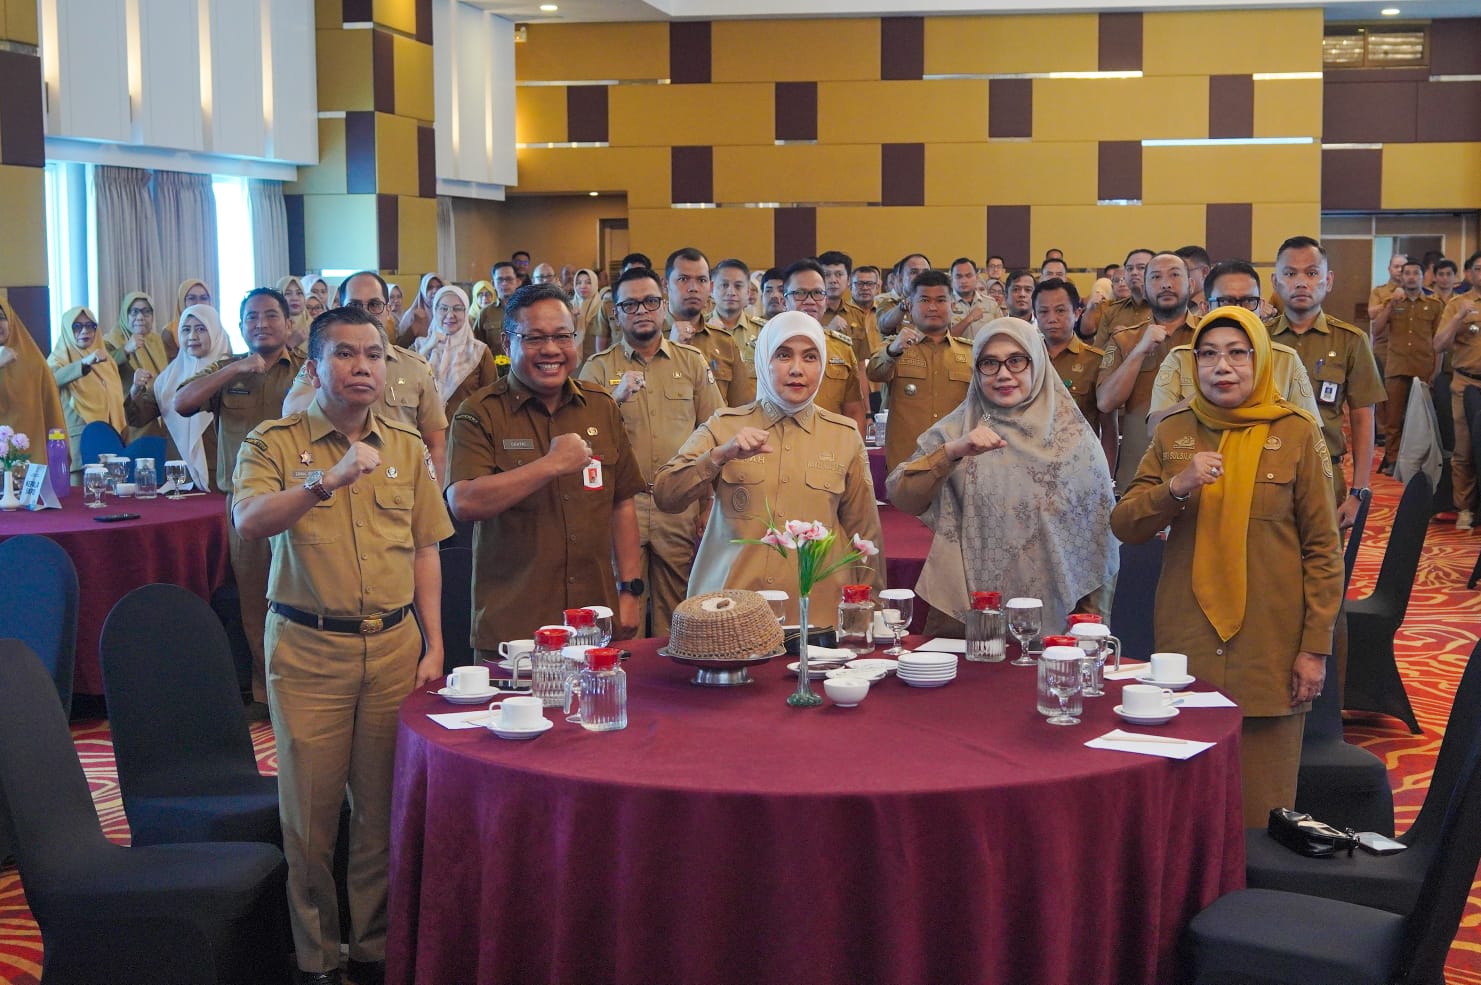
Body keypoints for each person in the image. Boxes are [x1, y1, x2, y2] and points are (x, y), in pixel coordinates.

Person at [232, 305, 452, 985]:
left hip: (391, 648)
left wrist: (434, 642)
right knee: (310, 822)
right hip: (308, 649)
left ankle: (375, 948)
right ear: (315, 366)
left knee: (383, 814)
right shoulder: (274, 441)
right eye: (347, 354)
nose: (363, 368)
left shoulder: (407, 446)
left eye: (375, 355)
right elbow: (249, 519)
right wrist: (322, 481)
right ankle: (316, 958)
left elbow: (423, 549)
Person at [1111, 305, 1342, 828]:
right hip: (1187, 644)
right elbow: (1126, 523)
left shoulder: (1298, 432)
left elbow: (1324, 551)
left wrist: (1314, 649)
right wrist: (1175, 488)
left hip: (1272, 646)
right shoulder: (1174, 433)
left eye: (1238, 353)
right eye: (1209, 354)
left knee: (1261, 813)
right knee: (1183, 806)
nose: (1223, 366)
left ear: (1260, 360)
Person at [446, 283, 646, 652]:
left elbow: (622, 503)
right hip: (514, 627)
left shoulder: (601, 407)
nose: (551, 350)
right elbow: (465, 501)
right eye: (535, 338)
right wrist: (550, 466)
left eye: (562, 336)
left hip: (593, 620)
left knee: (595, 710)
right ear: (507, 343)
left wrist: (630, 590)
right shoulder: (480, 413)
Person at [653, 311, 885, 624]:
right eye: (783, 355)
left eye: (810, 357)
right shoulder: (724, 426)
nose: (797, 369)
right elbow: (666, 494)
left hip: (817, 619)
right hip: (730, 616)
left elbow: (865, 535)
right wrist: (720, 455)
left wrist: (868, 617)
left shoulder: (843, 435)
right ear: (764, 360)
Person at [887, 317, 1116, 633]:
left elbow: (1099, 540)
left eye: (1016, 361)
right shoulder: (956, 431)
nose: (1003, 374)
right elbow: (901, 494)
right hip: (964, 616)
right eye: (989, 363)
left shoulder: (1074, 439)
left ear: (1037, 364)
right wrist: (952, 452)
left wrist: (1091, 628)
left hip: (1055, 621)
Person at [175, 288, 306, 715]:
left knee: (302, 591)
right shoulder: (226, 369)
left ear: (288, 324)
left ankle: (304, 684)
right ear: (241, 326)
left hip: (301, 498)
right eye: (251, 318)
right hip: (244, 500)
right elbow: (182, 402)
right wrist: (235, 369)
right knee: (255, 597)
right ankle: (267, 691)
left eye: (271, 316)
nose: (261, 324)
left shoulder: (308, 369)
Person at [579, 267, 723, 635]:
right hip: (621, 506)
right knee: (621, 610)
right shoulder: (597, 369)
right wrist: (613, 400)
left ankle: (673, 690)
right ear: (616, 313)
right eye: (630, 304)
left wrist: (710, 504)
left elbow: (714, 431)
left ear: (663, 306)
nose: (641, 310)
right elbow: (581, 442)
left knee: (679, 610)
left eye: (650, 302)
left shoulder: (691, 362)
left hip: (679, 504)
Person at [284, 272, 449, 481]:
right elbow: (291, 413)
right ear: (339, 310)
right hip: (337, 485)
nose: (365, 314)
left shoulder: (415, 367)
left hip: (399, 492)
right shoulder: (324, 365)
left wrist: (433, 503)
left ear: (388, 310)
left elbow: (434, 444)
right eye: (354, 306)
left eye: (374, 305)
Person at [866, 269, 975, 472]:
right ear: (910, 305)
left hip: (958, 463)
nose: (933, 307)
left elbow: (986, 408)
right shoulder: (895, 346)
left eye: (941, 300)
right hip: (907, 463)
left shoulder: (971, 352)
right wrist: (893, 351)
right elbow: (874, 373)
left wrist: (981, 430)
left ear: (952, 305)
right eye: (924, 300)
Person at [126, 304, 231, 491]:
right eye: (186, 329)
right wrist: (135, 390)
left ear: (215, 332)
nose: (192, 336)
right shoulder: (169, 378)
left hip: (222, 476)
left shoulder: (231, 372)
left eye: (201, 329)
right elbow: (138, 417)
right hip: (180, 476)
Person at [48, 306, 127, 479]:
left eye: (90, 326)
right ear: (68, 329)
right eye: (77, 327)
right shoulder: (59, 358)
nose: (85, 331)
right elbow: (51, 380)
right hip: (80, 443)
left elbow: (116, 398)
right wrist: (84, 363)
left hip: (110, 441)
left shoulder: (106, 359)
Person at [414, 284, 498, 419]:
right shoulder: (418, 347)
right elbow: (405, 384)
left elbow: (491, 400)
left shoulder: (479, 352)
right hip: (422, 433)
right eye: (443, 308)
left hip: (465, 433)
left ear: (465, 312)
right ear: (435, 311)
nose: (450, 315)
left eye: (457, 309)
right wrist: (427, 347)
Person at [0, 299, 66, 470]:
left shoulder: (34, 363)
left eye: (1, 317)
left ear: (11, 321)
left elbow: (52, 414)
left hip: (31, 462)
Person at [104, 292, 173, 442]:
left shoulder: (155, 341)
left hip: (158, 417)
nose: (140, 317)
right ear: (125, 314)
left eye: (146, 312)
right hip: (130, 419)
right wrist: (125, 349)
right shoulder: (111, 341)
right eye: (134, 312)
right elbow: (102, 369)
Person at [395, 272, 443, 347]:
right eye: (430, 288)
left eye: (438, 287)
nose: (435, 291)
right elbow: (400, 347)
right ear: (423, 291)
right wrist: (415, 326)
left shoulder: (447, 314)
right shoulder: (412, 315)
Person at [163, 278, 212, 350]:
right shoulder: (169, 333)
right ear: (182, 302)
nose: (198, 303)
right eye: (192, 298)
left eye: (203, 298)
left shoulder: (218, 330)